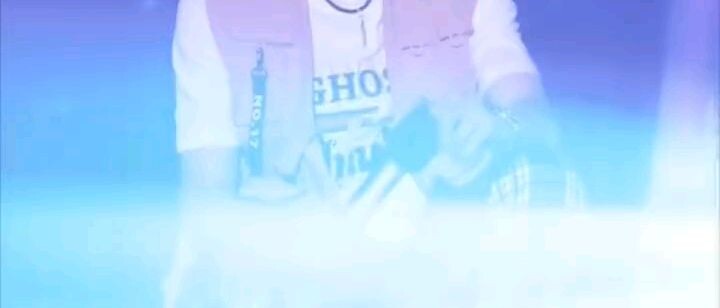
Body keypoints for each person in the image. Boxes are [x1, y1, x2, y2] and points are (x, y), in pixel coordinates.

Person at [173, 0, 581, 207]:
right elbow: (208, 202)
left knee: (545, 180)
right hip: (294, 263)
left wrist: (498, 130)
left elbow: (534, 121)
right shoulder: (217, 9)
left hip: (438, 235)